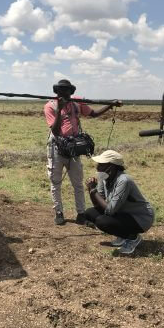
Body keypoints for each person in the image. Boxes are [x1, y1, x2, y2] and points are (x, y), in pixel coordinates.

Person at [44, 79, 122, 225]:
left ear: (71, 92)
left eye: (66, 90)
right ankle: (59, 212)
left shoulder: (76, 103)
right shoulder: (50, 106)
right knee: (56, 182)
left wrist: (110, 105)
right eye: (60, 90)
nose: (63, 92)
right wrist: (59, 109)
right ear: (56, 91)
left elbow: (93, 113)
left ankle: (81, 214)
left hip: (73, 148)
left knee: (78, 183)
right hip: (56, 148)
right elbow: (54, 130)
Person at [84, 150, 154, 254]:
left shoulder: (123, 180)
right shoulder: (105, 179)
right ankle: (123, 235)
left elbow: (110, 210)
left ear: (112, 166)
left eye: (102, 164)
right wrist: (91, 190)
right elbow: (98, 204)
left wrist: (94, 190)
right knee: (90, 213)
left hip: (140, 218)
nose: (97, 167)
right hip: (122, 212)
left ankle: (133, 238)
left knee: (102, 221)